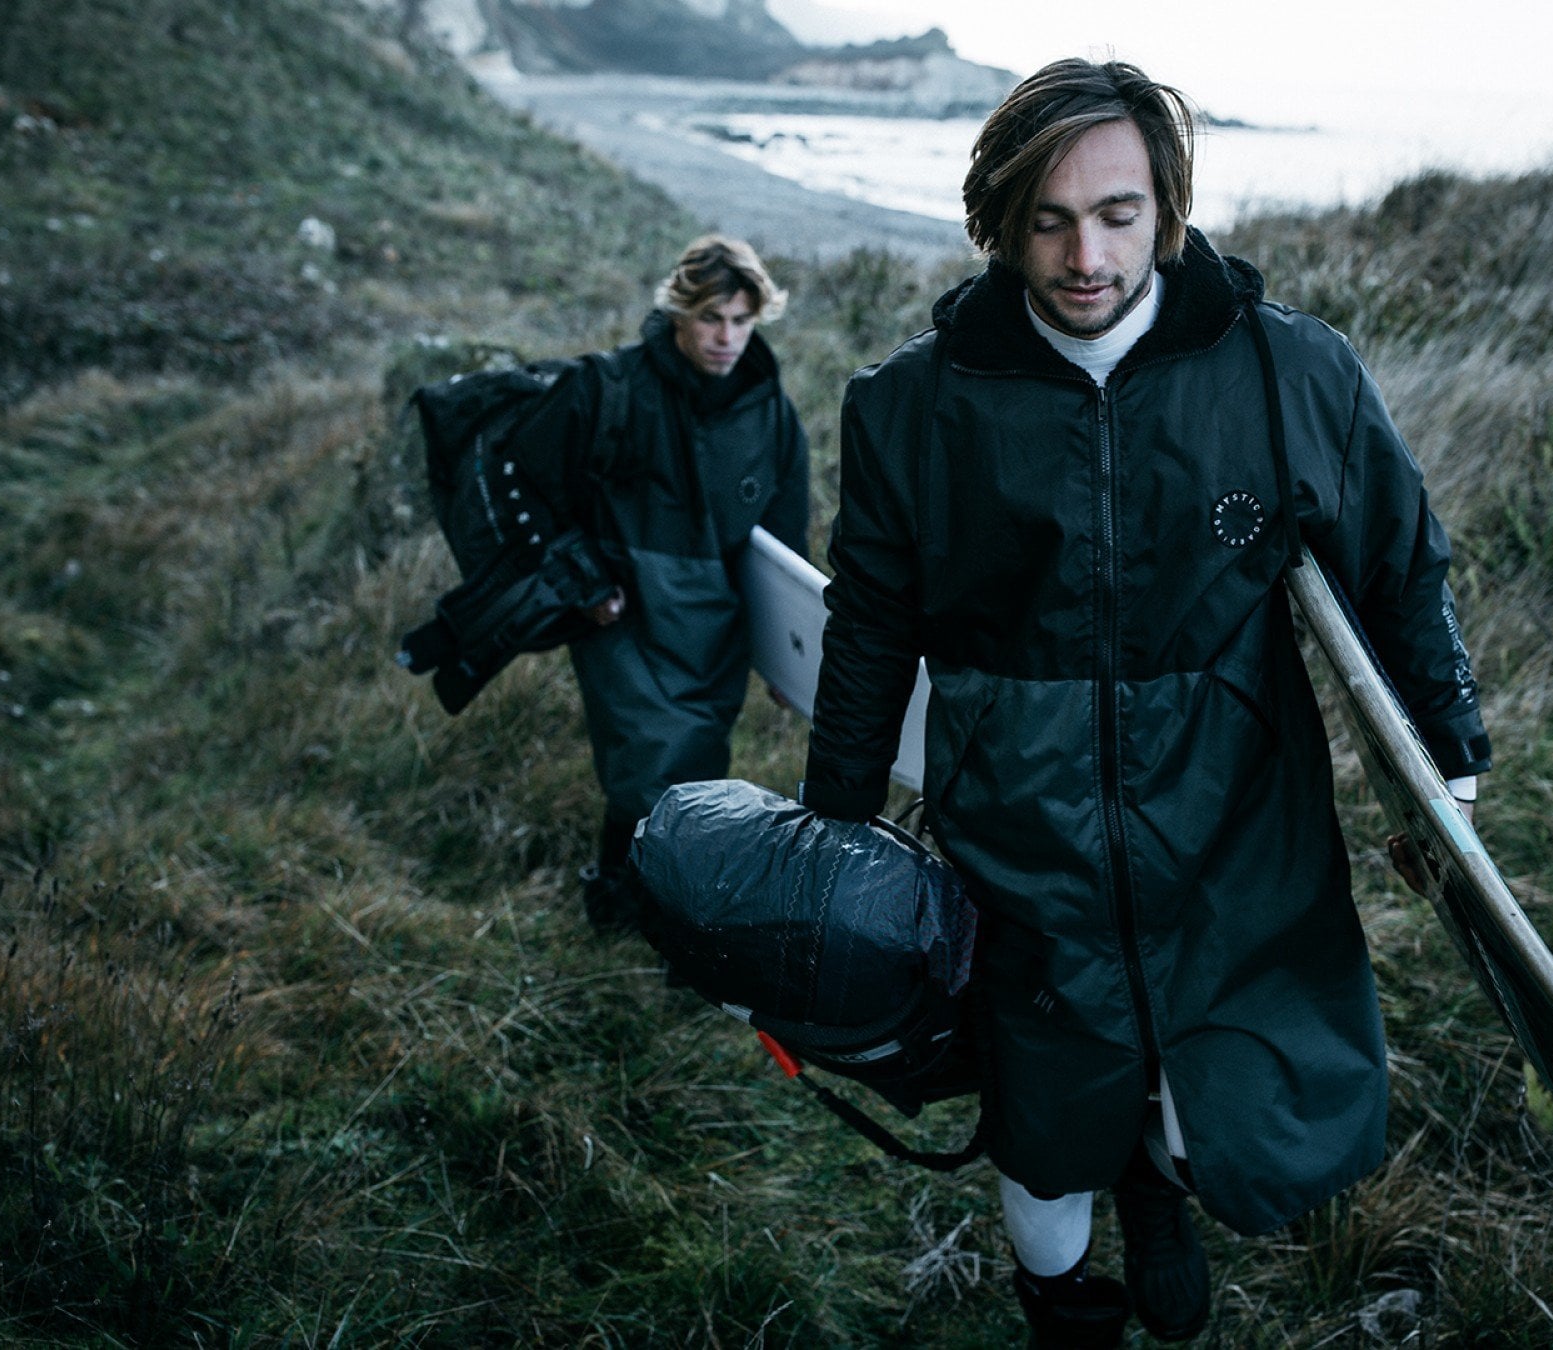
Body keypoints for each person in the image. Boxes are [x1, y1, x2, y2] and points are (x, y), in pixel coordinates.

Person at [798, 60, 1491, 1347]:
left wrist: (1447, 761)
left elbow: (1398, 567)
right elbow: (871, 625)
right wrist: (829, 834)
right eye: (1049, 221)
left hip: (1237, 818)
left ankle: (1155, 1184)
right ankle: (1060, 1306)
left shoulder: (1285, 371)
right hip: (1022, 829)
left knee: (1223, 1097)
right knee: (1043, 1122)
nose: (1086, 257)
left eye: (1118, 215)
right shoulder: (910, 404)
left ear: (1165, 207)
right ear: (999, 221)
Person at [524, 235, 809, 933]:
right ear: (680, 311)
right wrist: (584, 579)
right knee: (651, 767)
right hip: (626, 617)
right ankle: (635, 918)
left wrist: (787, 662)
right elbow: (538, 484)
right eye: (711, 318)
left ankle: (641, 916)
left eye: (741, 321)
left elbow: (784, 548)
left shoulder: (772, 414)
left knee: (692, 773)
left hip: (715, 634)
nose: (727, 338)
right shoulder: (614, 387)